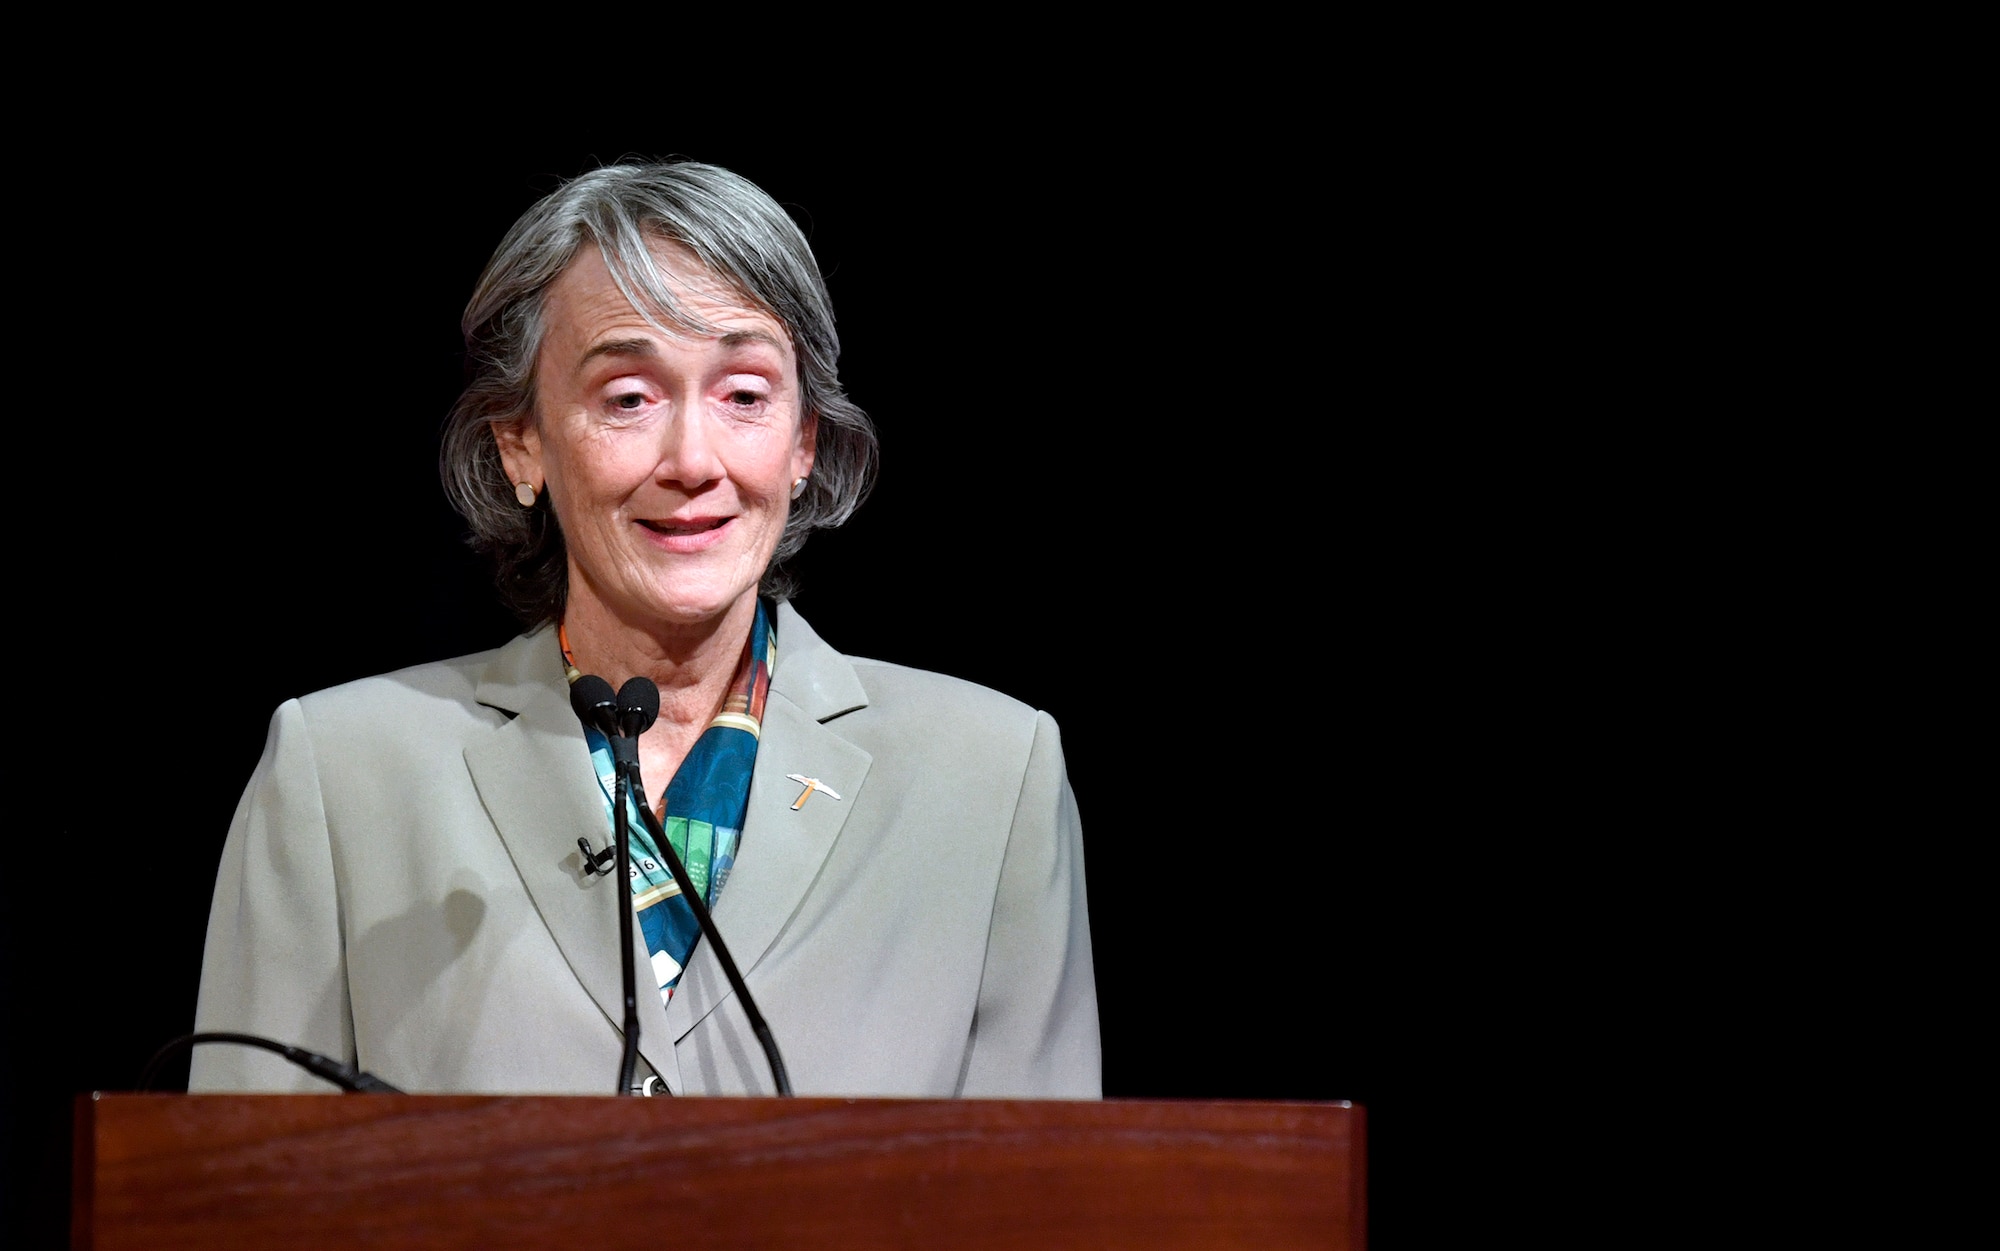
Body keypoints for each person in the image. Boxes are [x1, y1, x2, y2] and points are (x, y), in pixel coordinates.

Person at [190, 160, 1100, 1098]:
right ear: (521, 442)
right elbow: (233, 1206)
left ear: (804, 443)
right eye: (629, 398)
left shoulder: (992, 779)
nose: (693, 459)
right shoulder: (341, 776)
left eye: (745, 395)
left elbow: (1044, 1217)